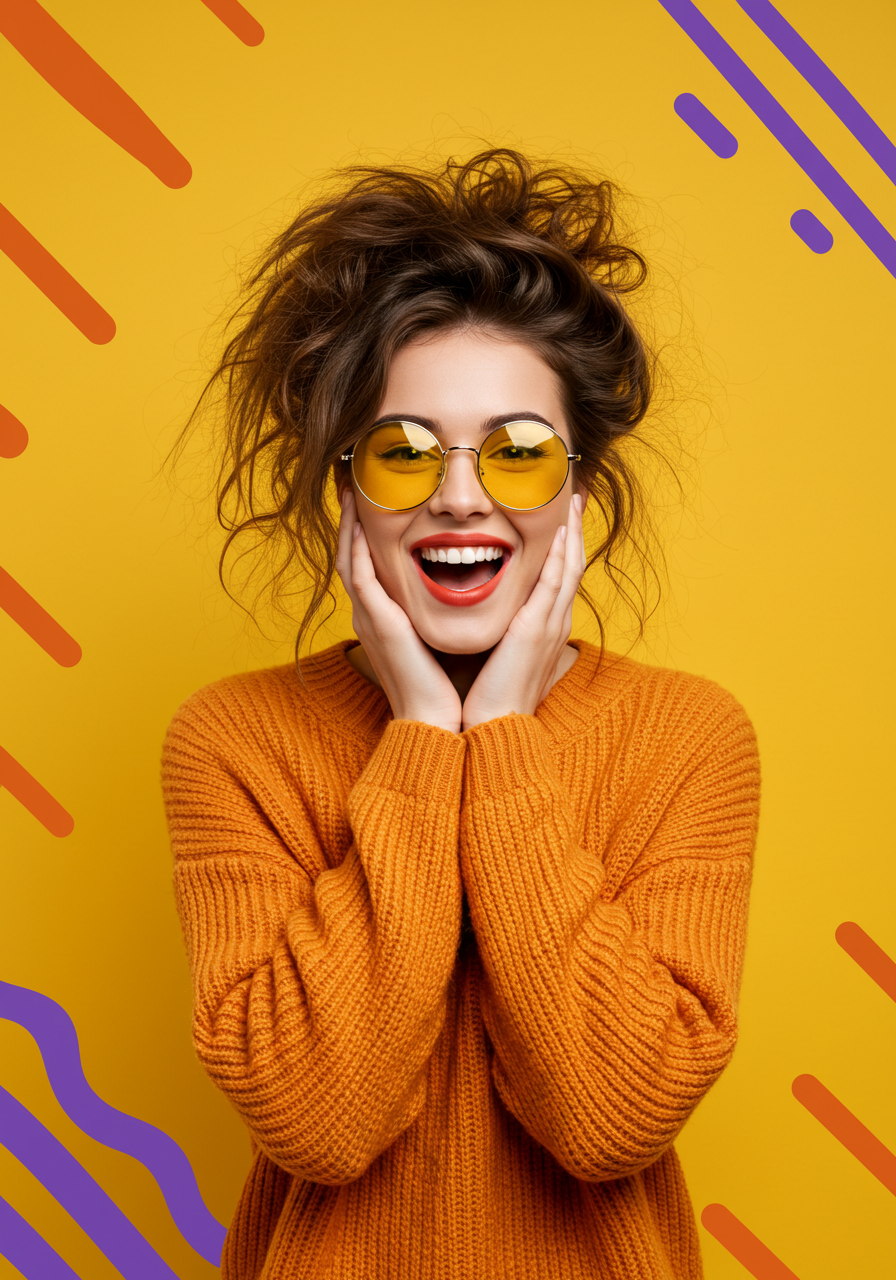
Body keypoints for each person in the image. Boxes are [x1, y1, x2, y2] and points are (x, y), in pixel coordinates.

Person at [162, 149, 761, 1280]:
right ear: (345, 485)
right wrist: (422, 738)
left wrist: (505, 741)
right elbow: (318, 1119)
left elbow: (608, 1118)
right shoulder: (234, 740)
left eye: (517, 451)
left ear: (577, 489)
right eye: (402, 451)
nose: (458, 493)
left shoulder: (688, 738)